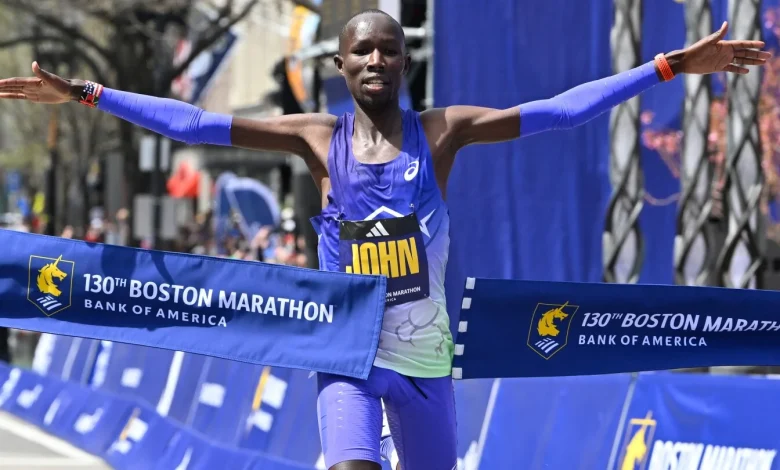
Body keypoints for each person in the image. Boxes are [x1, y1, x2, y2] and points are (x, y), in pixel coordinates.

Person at [0, 9, 769, 470]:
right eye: (361, 51)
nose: (376, 59)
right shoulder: (312, 137)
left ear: (405, 62)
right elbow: (194, 122)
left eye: (389, 50)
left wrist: (669, 65)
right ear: (339, 65)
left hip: (428, 363)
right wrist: (87, 93)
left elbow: (563, 111)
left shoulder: (443, 134)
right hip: (349, 359)